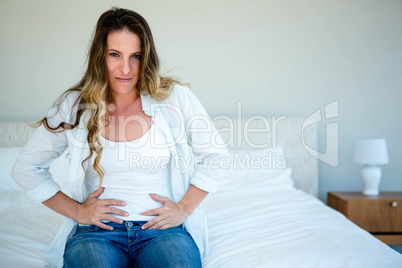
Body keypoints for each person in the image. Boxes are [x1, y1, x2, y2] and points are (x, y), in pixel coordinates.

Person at [11, 7, 228, 268]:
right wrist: (78, 211)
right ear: (99, 57)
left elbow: (216, 156)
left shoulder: (174, 97)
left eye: (135, 56)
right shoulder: (75, 105)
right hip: (97, 235)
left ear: (146, 58)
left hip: (163, 233)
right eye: (115, 55)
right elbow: (26, 169)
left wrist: (183, 208)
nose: (126, 68)